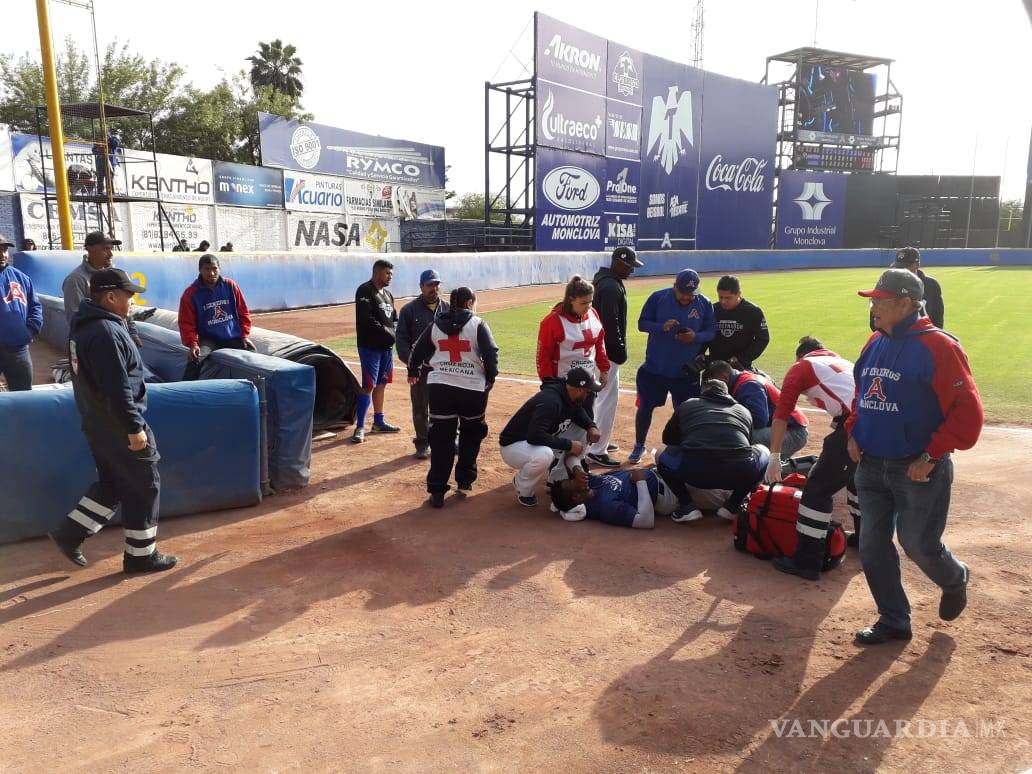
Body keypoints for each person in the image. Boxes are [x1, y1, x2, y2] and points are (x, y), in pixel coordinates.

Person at [847, 268, 982, 646]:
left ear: (904, 303)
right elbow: (862, 395)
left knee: (918, 543)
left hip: (917, 468)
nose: (873, 306)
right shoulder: (873, 343)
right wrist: (854, 432)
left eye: (878, 300)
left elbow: (968, 414)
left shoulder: (940, 347)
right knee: (872, 545)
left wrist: (934, 455)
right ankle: (894, 619)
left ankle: (955, 579)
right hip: (871, 465)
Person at [47, 268, 177, 573]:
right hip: (119, 426)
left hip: (98, 424)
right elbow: (117, 388)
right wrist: (133, 428)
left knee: (114, 483)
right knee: (145, 485)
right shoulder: (105, 332)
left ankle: (70, 533)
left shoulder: (86, 326)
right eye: (128, 295)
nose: (132, 300)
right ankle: (141, 556)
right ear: (110, 296)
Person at [769, 336, 860, 580]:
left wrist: (775, 457)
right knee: (856, 480)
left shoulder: (802, 367)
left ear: (800, 356)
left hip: (854, 425)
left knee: (817, 490)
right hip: (873, 419)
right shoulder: (840, 362)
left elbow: (781, 414)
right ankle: (864, 538)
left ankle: (807, 561)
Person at [407, 286, 498, 507]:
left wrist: (413, 371)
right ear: (469, 303)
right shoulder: (478, 324)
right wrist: (490, 378)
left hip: (440, 388)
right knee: (471, 434)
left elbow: (417, 351)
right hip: (472, 390)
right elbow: (491, 355)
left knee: (441, 439)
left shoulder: (435, 324)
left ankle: (437, 490)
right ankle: (465, 481)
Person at [630, 269, 716, 464]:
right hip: (655, 368)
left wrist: (695, 337)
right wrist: (661, 326)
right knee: (645, 407)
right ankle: (639, 445)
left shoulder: (704, 303)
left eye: (691, 294)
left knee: (686, 412)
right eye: (683, 293)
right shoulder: (658, 298)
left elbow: (711, 331)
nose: (687, 298)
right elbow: (642, 323)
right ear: (674, 286)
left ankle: (685, 449)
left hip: (685, 373)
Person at [656, 377, 768, 523]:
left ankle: (686, 505)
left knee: (661, 453)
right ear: (727, 393)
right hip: (737, 475)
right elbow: (748, 445)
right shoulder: (743, 410)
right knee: (763, 451)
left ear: (703, 392)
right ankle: (733, 506)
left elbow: (668, 439)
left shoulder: (688, 404)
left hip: (693, 473)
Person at [498, 367, 602, 507]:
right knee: (544, 455)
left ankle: (558, 479)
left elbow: (577, 412)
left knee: (584, 431)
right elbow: (535, 436)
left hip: (537, 440)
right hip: (514, 446)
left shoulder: (568, 395)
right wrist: (569, 445)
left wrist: (591, 426)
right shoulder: (551, 402)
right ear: (579, 390)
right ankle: (523, 487)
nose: (588, 395)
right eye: (588, 391)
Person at [536, 274, 610, 463]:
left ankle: (578, 461)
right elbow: (543, 355)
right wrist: (548, 383)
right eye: (584, 303)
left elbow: (599, 342)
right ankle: (554, 466)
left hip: (587, 384)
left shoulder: (592, 314)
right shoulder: (552, 322)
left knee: (587, 422)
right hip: (563, 387)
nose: (589, 307)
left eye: (590, 302)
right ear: (571, 300)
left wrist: (604, 368)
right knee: (560, 427)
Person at [587, 246, 643, 467]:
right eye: (629, 266)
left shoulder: (604, 281)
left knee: (599, 398)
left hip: (599, 349)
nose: (632, 271)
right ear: (619, 262)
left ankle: (596, 438)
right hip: (607, 353)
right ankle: (597, 450)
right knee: (607, 399)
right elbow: (611, 324)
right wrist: (618, 350)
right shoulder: (611, 286)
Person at [703, 360, 810, 459]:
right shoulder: (742, 380)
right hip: (783, 428)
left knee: (735, 437)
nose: (714, 388)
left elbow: (759, 420)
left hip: (794, 432)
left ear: (724, 377)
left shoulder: (749, 385)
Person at [397, 269, 449, 459]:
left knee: (448, 406)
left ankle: (449, 439)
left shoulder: (448, 308)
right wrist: (413, 364)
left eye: (436, 284)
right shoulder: (409, 310)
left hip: (444, 368)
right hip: (421, 370)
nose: (434, 288)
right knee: (420, 408)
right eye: (429, 285)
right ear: (421, 287)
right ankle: (422, 442)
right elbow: (402, 341)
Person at [177, 254, 255, 380]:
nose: (211, 273)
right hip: (209, 340)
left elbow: (243, 312)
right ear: (200, 270)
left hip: (232, 336)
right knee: (195, 359)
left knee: (252, 355)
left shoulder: (230, 286)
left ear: (219, 268)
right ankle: (184, 390)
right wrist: (193, 344)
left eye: (214, 268)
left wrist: (244, 335)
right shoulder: (190, 294)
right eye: (207, 269)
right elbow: (186, 323)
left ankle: (260, 390)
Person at [353, 259, 400, 443]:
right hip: (369, 347)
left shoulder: (388, 294)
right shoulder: (365, 290)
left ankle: (378, 422)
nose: (390, 277)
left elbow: (394, 318)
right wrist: (389, 333)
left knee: (381, 383)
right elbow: (367, 319)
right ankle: (360, 427)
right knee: (368, 385)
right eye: (387, 273)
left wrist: (394, 332)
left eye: (391, 274)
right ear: (377, 272)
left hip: (386, 348)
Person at [547, 465, 680, 528]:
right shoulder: (606, 506)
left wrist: (576, 469)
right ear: (576, 497)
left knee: (667, 450)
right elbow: (646, 521)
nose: (575, 479)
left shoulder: (591, 484)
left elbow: (571, 456)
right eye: (572, 482)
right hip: (670, 493)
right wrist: (641, 482)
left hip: (661, 473)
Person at [0, 234, 43, 391]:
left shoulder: (21, 278)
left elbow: (35, 307)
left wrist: (30, 331)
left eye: (4, 249)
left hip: (18, 350)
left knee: (23, 394)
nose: (2, 254)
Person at [707, 274, 770, 370]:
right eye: (720, 297)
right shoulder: (713, 310)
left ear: (738, 294)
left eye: (728, 298)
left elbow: (762, 339)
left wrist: (742, 358)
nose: (723, 301)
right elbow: (706, 334)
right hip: (715, 367)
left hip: (740, 367)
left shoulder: (752, 311)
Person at [893, 247, 944, 329]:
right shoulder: (889, 285)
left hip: (925, 337)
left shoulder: (931, 285)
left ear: (917, 265)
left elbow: (938, 316)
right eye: (898, 267)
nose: (902, 270)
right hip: (899, 338)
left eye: (906, 266)